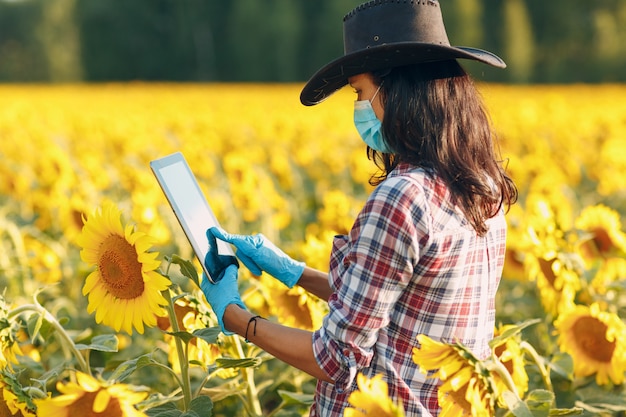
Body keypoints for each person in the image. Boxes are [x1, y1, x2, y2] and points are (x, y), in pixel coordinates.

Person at [201, 0, 518, 415]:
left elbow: (333, 358)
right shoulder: (484, 188)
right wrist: (295, 273)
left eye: (360, 92)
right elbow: (401, 303)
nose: (359, 108)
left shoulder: (402, 198)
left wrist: (234, 316)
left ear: (400, 90)